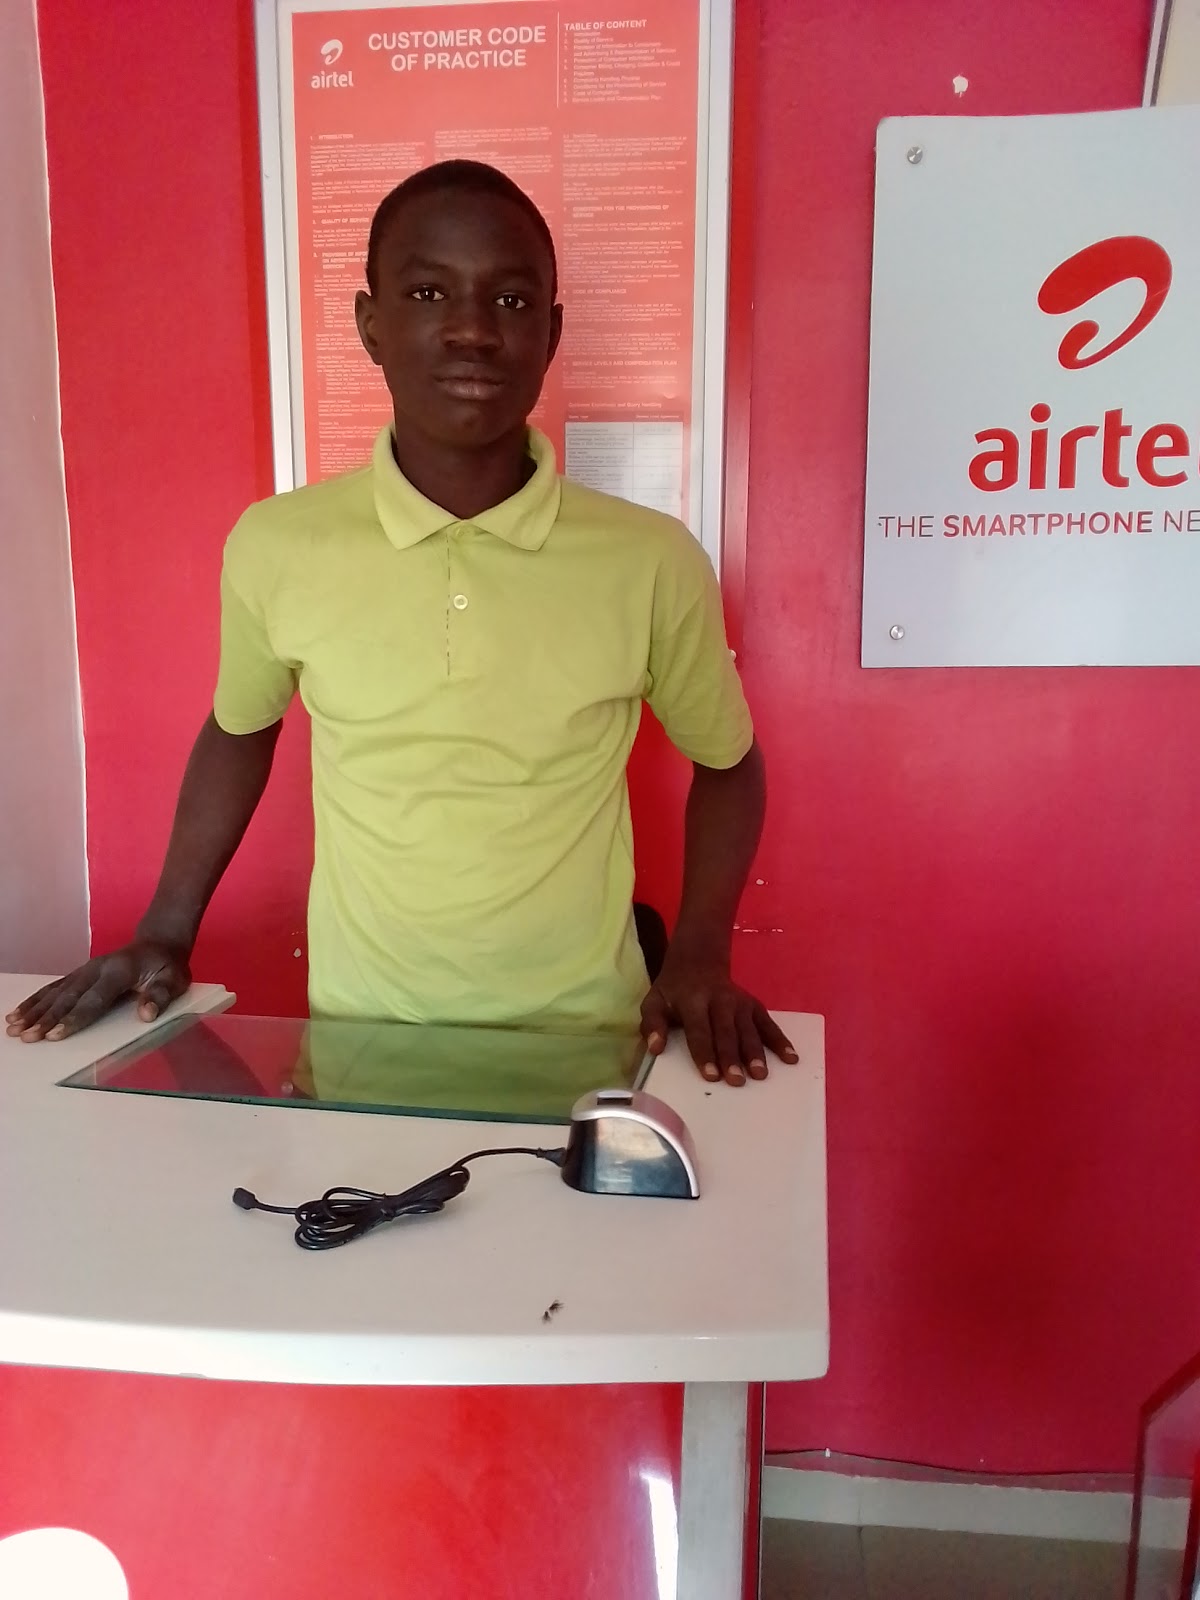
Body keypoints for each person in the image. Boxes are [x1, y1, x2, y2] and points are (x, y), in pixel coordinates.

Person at [7, 160, 796, 1087]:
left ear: (550, 334)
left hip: (589, 1050)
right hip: (360, 1048)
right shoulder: (279, 544)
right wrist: (165, 931)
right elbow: (238, 729)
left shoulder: (650, 559)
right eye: (428, 293)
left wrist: (698, 954)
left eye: (511, 300)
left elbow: (729, 763)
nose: (472, 329)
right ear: (370, 325)